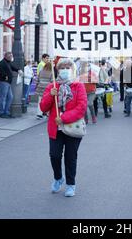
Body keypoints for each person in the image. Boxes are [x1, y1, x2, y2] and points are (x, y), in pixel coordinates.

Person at [40, 58, 87, 197]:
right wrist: (50, 95)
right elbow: (43, 107)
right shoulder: (52, 86)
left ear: (72, 69)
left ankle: (71, 184)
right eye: (62, 67)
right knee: (54, 155)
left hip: (72, 127)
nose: (65, 70)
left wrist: (64, 118)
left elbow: (81, 107)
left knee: (70, 157)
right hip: (55, 129)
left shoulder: (78, 86)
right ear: (58, 70)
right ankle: (58, 178)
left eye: (68, 67)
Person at [0, 52, 23, 118]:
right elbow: (1, 72)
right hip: (3, 82)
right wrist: (6, 76)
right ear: (6, 56)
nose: (11, 57)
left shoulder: (8, 62)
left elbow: (13, 67)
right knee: (3, 97)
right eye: (10, 56)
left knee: (10, 97)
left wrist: (18, 70)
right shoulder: (2, 63)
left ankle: (6, 112)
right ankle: (1, 113)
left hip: (7, 82)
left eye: (11, 56)